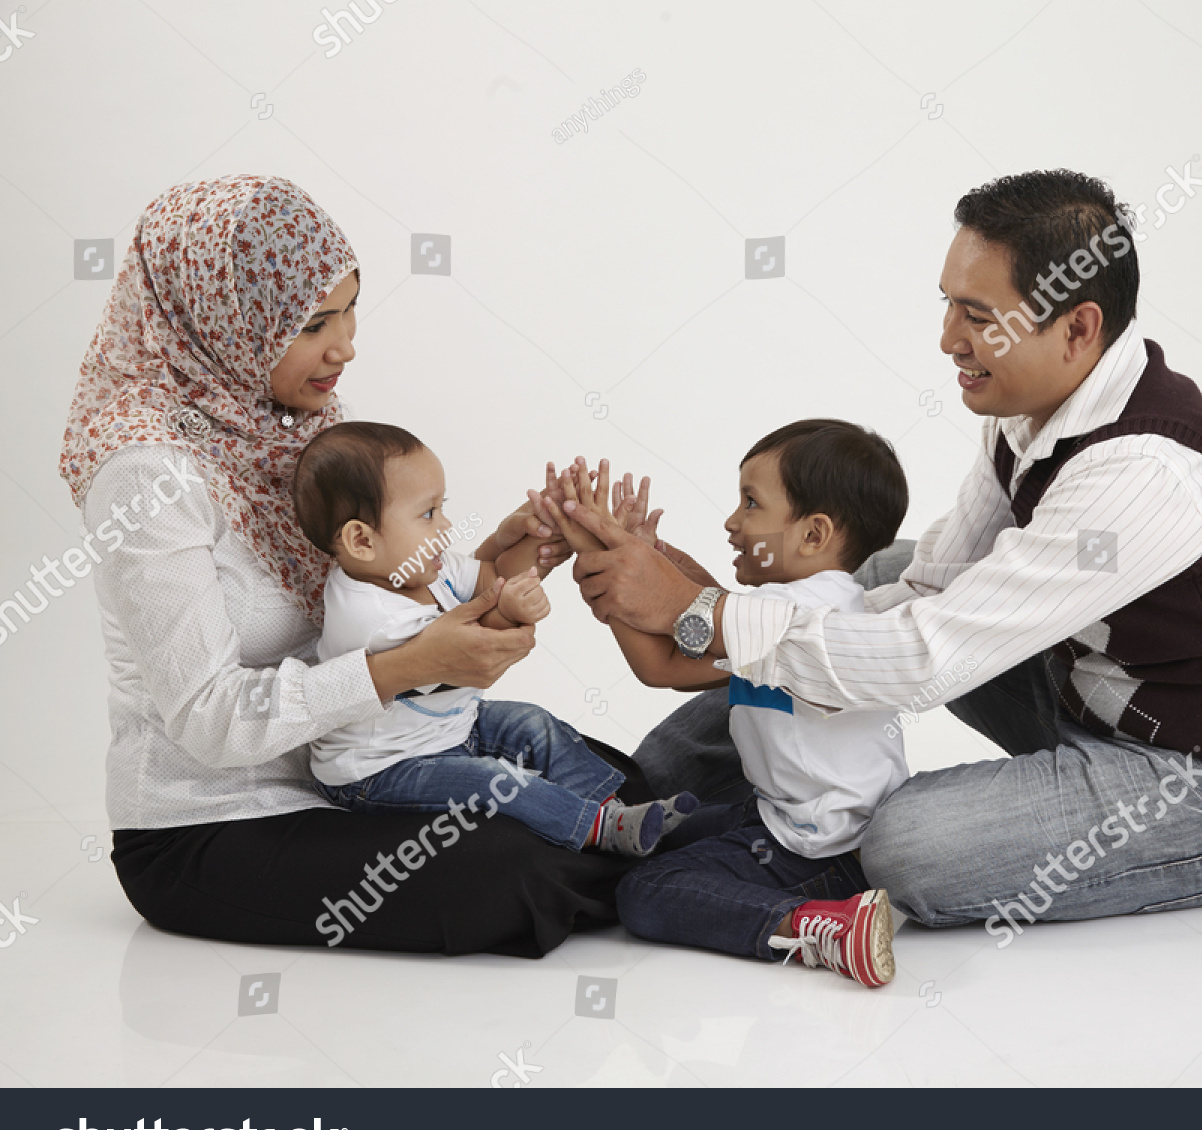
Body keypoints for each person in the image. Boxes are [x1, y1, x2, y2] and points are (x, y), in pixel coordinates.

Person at [560, 169, 1202, 942]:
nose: (949, 339)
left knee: (907, 846)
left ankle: (811, 821)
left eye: (977, 316)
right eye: (948, 306)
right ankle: (637, 797)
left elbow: (925, 660)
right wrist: (685, 599)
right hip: (1090, 688)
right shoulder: (1028, 414)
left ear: (1078, 328)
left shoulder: (1147, 475)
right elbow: (921, 590)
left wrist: (696, 612)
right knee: (857, 582)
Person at [59, 175, 643, 957]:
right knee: (513, 869)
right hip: (215, 825)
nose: (346, 345)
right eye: (311, 323)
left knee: (600, 772)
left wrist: (513, 554)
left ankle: (672, 850)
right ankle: (686, 863)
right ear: (221, 322)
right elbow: (209, 719)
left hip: (360, 771)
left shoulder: (293, 423)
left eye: (350, 308)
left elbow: (382, 593)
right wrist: (405, 668)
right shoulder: (146, 474)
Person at [546, 422, 912, 987]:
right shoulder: (806, 606)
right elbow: (703, 610)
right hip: (789, 819)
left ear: (813, 534)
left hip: (817, 853)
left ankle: (818, 925)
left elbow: (661, 664)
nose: (732, 520)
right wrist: (645, 556)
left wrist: (608, 562)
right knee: (655, 834)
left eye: (751, 503)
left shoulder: (788, 617)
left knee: (645, 892)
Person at [292, 421, 694, 855]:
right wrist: (509, 612)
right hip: (380, 771)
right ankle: (597, 829)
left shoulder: (425, 567)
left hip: (451, 730)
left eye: (442, 508)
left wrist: (542, 531)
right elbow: (467, 648)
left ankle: (616, 810)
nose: (446, 527)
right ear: (362, 540)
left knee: (534, 724)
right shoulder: (370, 616)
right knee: (494, 783)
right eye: (428, 514)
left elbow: (494, 578)